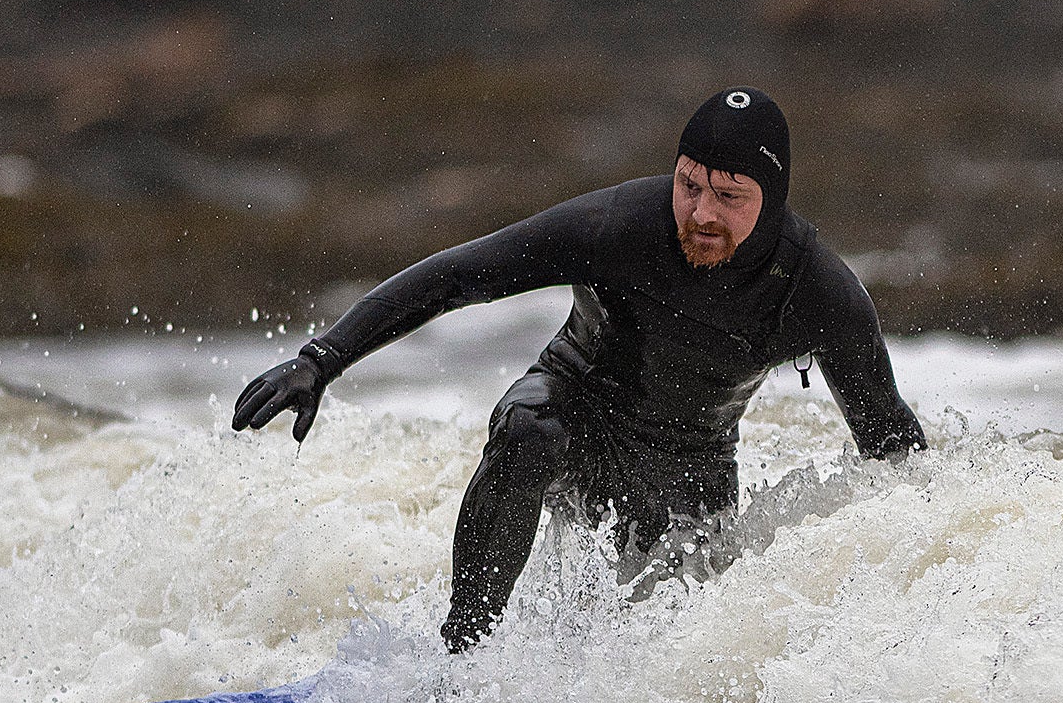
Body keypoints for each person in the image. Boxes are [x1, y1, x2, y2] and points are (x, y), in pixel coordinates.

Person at [232, 87, 925, 648]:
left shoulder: (820, 295)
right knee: (528, 426)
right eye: (689, 185)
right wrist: (321, 358)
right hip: (578, 415)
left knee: (668, 654)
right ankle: (461, 660)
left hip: (689, 476)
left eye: (729, 196)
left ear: (771, 203)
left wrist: (939, 567)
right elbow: (458, 275)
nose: (700, 213)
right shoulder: (620, 226)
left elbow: (892, 447)